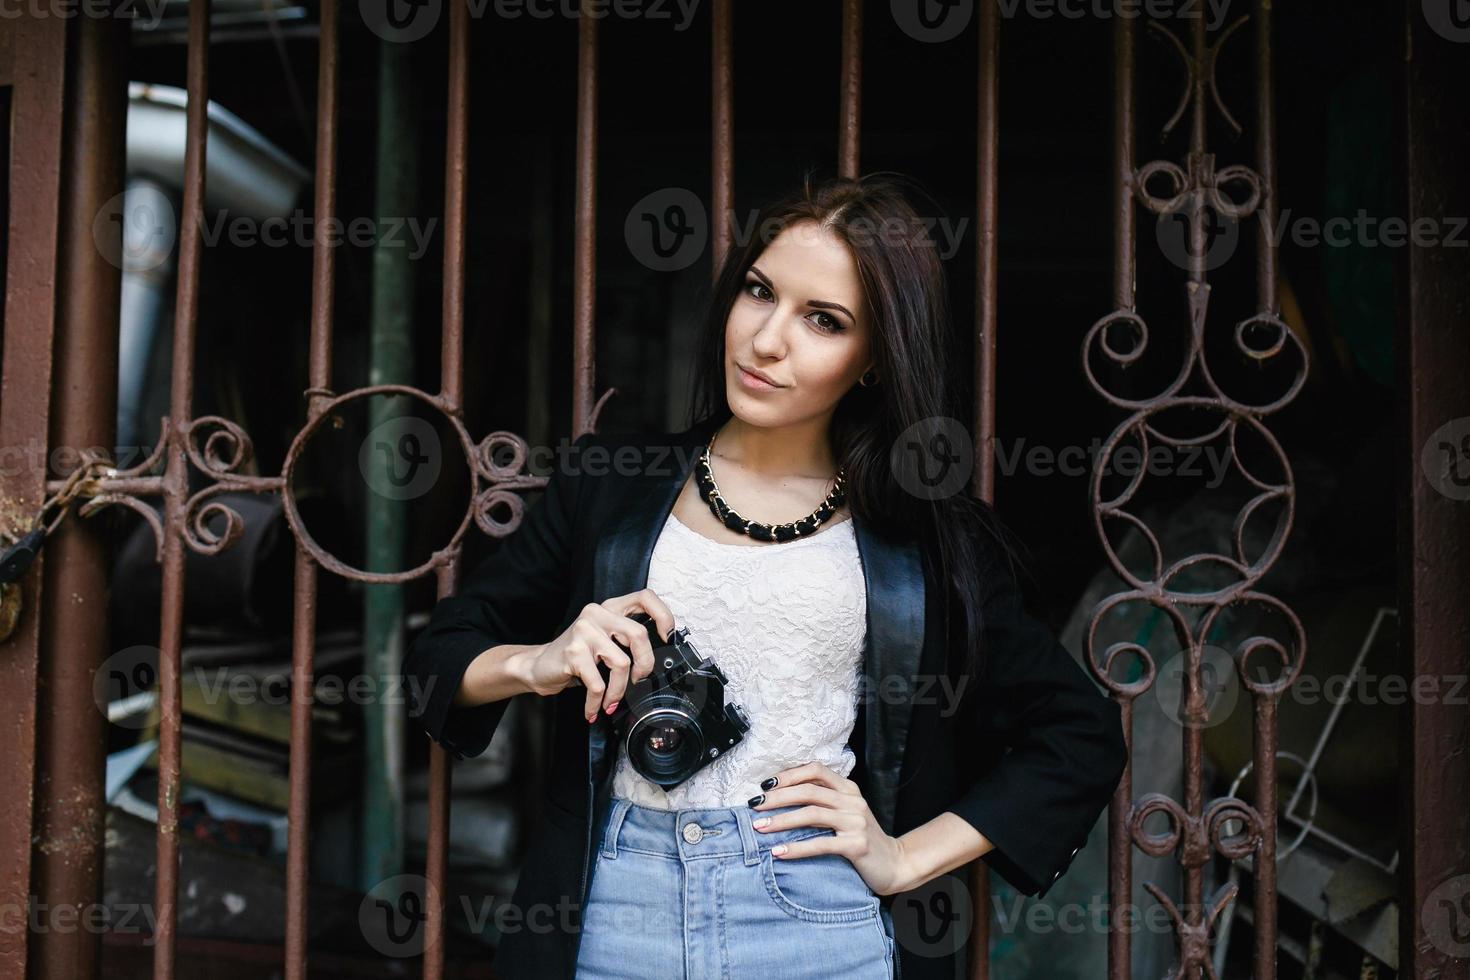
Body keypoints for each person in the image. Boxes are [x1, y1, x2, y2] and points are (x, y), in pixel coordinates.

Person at [402, 172, 1129, 980]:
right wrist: (537, 662)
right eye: (759, 292)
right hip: (614, 909)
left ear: (875, 361)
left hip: (814, 915)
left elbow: (1078, 735)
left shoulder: (919, 538)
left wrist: (903, 857)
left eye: (823, 320)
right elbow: (441, 660)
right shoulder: (612, 481)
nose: (767, 339)